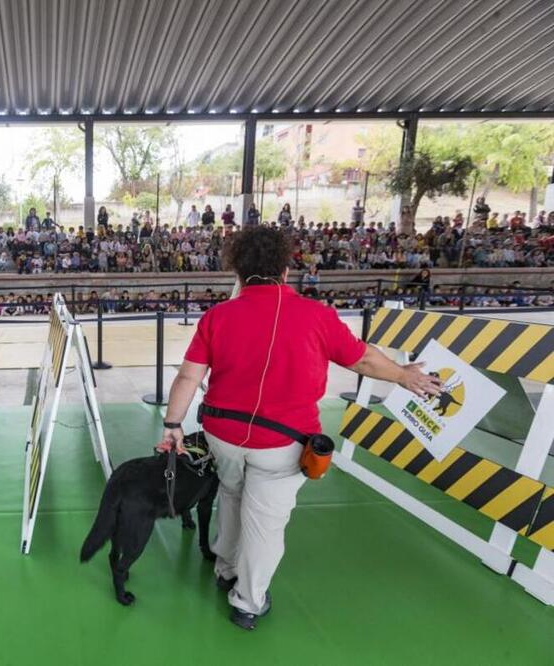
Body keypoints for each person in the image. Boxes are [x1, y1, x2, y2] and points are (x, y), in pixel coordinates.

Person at [155, 226, 440, 631]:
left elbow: (187, 378)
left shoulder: (217, 316)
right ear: (285, 271)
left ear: (237, 272)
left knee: (232, 495)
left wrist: (172, 425)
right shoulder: (318, 316)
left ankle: (225, 568)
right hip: (283, 444)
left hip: (223, 436)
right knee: (265, 521)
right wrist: (403, 376)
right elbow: (363, 361)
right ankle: (248, 600)